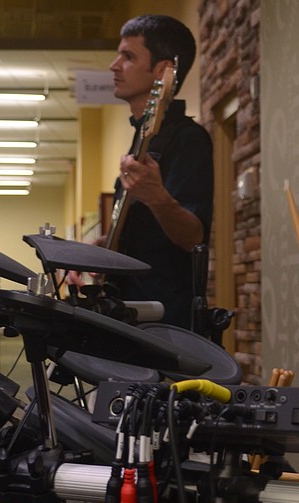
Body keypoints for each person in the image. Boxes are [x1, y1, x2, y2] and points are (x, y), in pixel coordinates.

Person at [71, 14, 214, 330]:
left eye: (128, 56)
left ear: (162, 71)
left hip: (166, 326)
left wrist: (157, 197)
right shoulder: (145, 137)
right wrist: (103, 248)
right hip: (129, 315)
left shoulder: (188, 139)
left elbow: (194, 237)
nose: (114, 65)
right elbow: (149, 237)